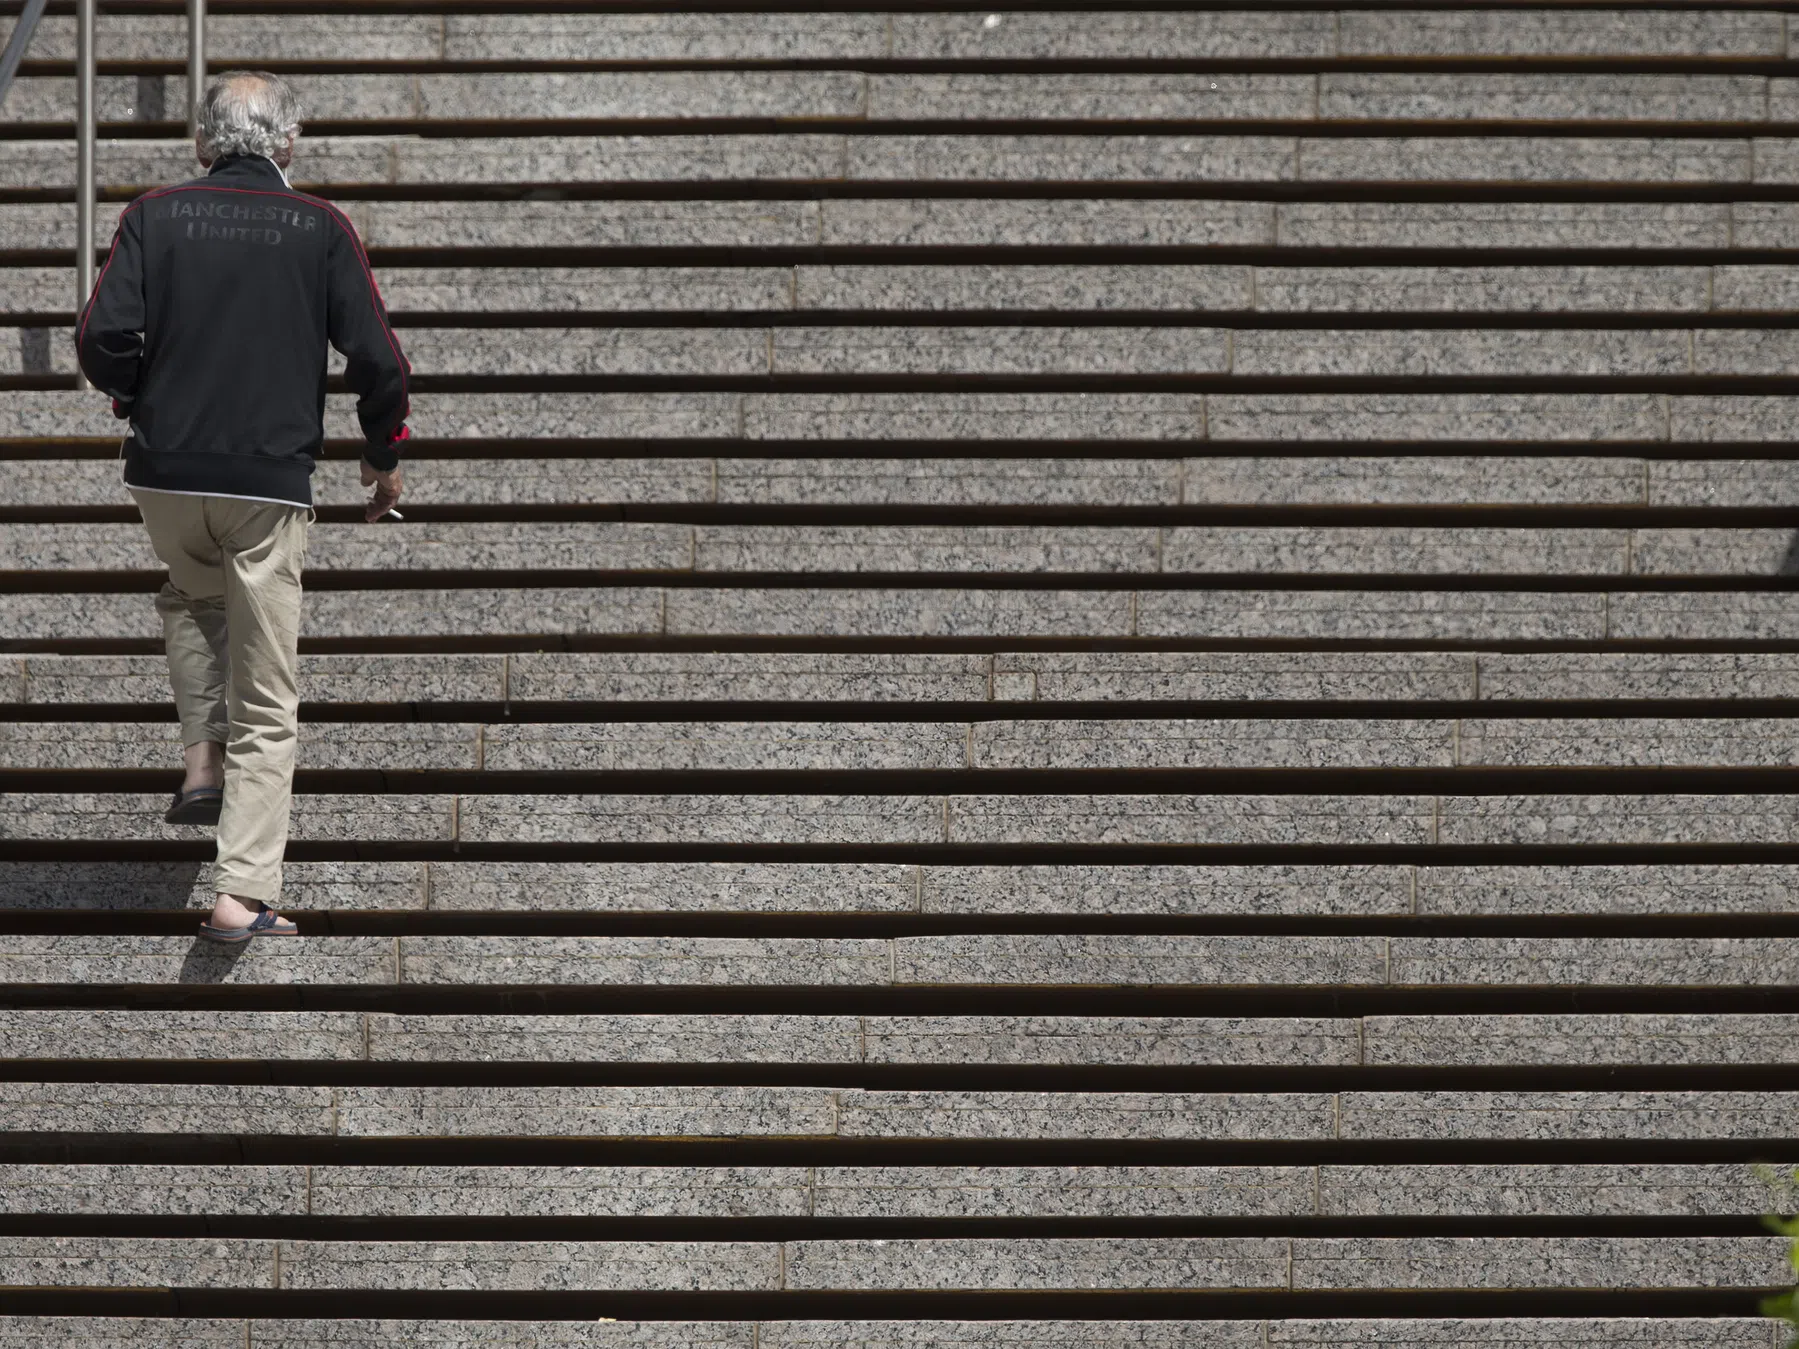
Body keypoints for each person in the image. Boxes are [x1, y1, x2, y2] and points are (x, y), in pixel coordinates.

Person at [75, 70, 412, 943]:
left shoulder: (153, 214)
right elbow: (378, 360)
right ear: (289, 145)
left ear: (200, 144)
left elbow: (99, 336)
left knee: (192, 597)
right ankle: (240, 892)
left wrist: (135, 398)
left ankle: (199, 762)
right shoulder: (321, 227)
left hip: (165, 475)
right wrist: (382, 459)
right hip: (264, 484)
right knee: (268, 695)